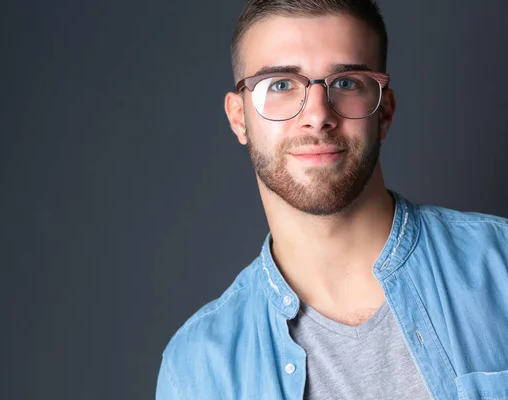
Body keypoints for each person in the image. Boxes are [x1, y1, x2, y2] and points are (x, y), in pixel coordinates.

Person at [156, 0, 508, 399]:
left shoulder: (502, 269)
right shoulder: (198, 370)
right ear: (239, 118)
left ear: (384, 111)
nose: (317, 114)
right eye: (281, 85)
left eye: (346, 82)